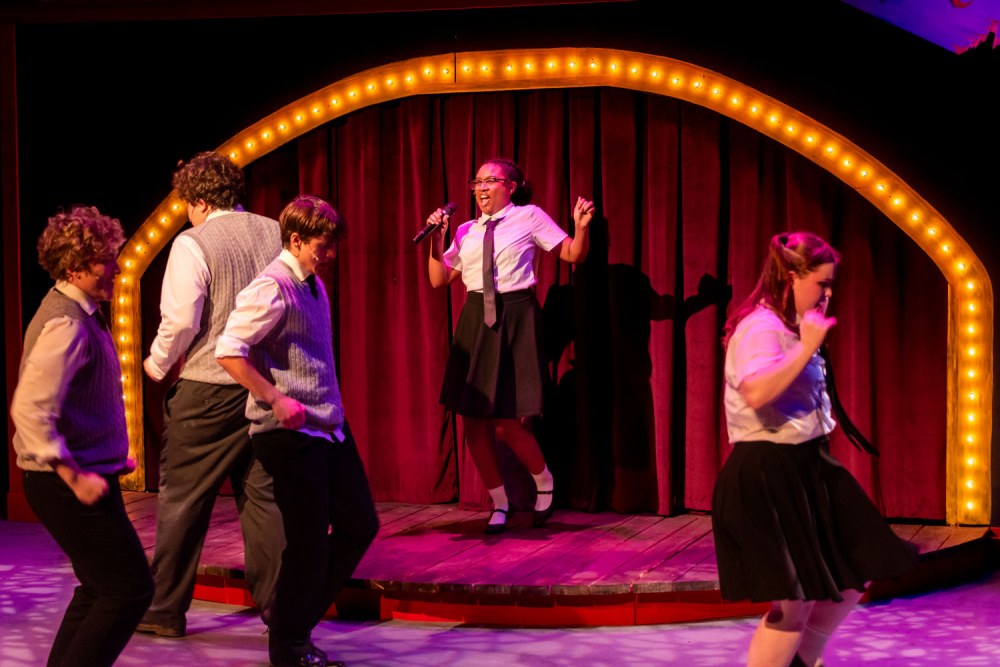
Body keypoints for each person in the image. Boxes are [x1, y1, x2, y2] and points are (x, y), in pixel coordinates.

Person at [711, 232, 916, 667]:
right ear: (791, 277)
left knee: (861, 564)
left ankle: (804, 660)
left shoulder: (791, 327)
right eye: (822, 283)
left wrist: (806, 343)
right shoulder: (761, 328)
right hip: (767, 470)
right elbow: (757, 392)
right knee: (794, 600)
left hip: (808, 465)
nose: (828, 295)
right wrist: (806, 347)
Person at [216, 194, 379, 667]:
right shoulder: (272, 286)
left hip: (326, 425)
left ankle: (292, 623)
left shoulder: (313, 284)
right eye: (323, 246)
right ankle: (288, 643)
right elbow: (229, 350)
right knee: (307, 543)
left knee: (359, 524)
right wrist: (274, 397)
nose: (330, 255)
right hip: (286, 432)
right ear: (295, 240)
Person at [138, 151, 284, 637]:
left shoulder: (193, 242)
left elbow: (182, 319)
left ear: (200, 201)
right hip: (264, 386)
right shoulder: (276, 232)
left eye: (186, 204)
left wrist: (157, 364)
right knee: (263, 502)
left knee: (184, 499)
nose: (186, 213)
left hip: (209, 388)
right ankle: (281, 613)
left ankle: (164, 610)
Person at [11, 206, 154, 666]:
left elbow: (82, 400)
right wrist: (73, 475)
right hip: (63, 482)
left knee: (101, 587)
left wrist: (110, 455)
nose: (117, 269)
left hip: (86, 473)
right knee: (128, 589)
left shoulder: (83, 313)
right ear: (75, 267)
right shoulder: (66, 323)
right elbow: (29, 409)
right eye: (106, 261)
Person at [425, 158, 595, 534]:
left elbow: (573, 254)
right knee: (473, 419)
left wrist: (581, 229)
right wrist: (437, 238)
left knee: (506, 420)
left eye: (490, 180)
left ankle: (544, 482)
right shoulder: (466, 230)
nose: (481, 188)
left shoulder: (529, 216)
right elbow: (439, 280)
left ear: (511, 186)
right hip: (475, 320)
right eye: (477, 182)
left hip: (515, 314)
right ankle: (499, 503)